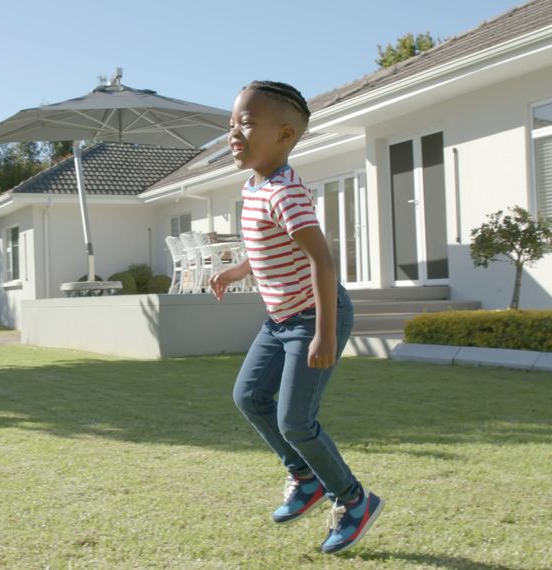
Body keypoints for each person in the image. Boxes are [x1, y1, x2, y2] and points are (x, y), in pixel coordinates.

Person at [209, 81, 382, 555]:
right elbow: (267, 247)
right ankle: (305, 477)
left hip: (312, 317)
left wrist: (325, 333)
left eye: (246, 123)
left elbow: (321, 261)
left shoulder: (287, 191)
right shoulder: (254, 187)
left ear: (284, 135)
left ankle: (354, 500)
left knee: (295, 422)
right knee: (248, 395)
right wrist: (238, 269)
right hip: (280, 320)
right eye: (231, 124)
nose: (234, 133)